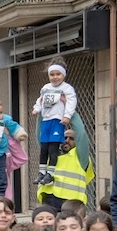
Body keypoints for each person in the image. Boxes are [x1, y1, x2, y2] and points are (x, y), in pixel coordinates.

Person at [31, 56, 77, 185]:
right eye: (52, 74)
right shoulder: (45, 87)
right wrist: (36, 109)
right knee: (43, 148)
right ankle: (41, 172)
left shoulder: (67, 88)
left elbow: (71, 102)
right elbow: (40, 100)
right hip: (46, 120)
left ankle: (50, 173)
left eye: (58, 74)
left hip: (57, 120)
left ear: (63, 75)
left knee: (53, 149)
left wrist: (67, 116)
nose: (55, 77)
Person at [36, 128, 95, 211]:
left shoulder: (82, 158)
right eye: (65, 137)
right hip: (49, 199)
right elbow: (41, 135)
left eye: (72, 139)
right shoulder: (52, 153)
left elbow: (82, 135)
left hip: (71, 202)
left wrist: (70, 116)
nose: (67, 140)